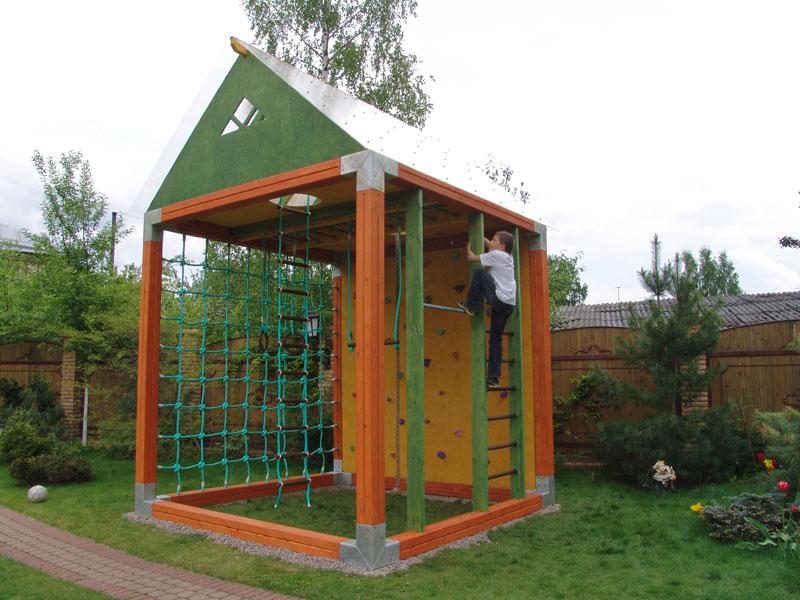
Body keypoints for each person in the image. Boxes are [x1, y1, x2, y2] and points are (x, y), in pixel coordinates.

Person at [456, 231, 516, 390]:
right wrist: (480, 236)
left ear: (502, 246)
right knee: (495, 339)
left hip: (499, 299)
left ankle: (471, 306)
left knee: (479, 273)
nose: (491, 242)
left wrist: (468, 246)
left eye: (494, 240)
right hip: (509, 304)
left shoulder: (496, 255)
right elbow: (489, 244)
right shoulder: (508, 257)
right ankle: (493, 378)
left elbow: (471, 258)